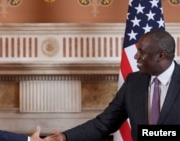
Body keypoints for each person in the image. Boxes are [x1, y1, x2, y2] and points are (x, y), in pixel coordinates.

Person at [45, 29, 180, 141]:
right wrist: (64, 137)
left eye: (142, 52)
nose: (136, 56)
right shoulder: (134, 82)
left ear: (161, 56)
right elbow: (104, 123)